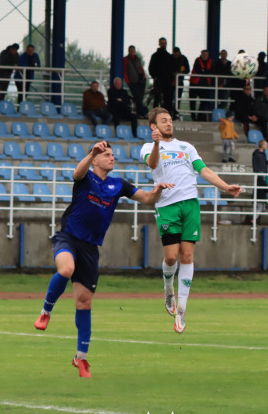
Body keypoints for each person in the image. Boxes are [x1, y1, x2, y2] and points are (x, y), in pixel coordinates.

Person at [32, 141, 172, 377]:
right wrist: (91, 153)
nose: (111, 158)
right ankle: (46, 312)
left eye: (112, 155)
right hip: (68, 237)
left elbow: (147, 199)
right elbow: (77, 173)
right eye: (106, 154)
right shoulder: (86, 177)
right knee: (66, 269)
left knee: (84, 303)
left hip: (91, 247)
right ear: (95, 159)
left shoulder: (119, 185)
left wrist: (158, 190)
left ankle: (81, 359)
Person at [142, 108, 243, 334]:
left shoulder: (186, 147)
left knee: (187, 255)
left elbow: (203, 170)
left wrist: (225, 186)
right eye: (163, 121)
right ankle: (168, 288)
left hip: (190, 204)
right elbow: (152, 164)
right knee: (170, 256)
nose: (168, 124)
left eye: (170, 120)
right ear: (153, 127)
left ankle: (182, 309)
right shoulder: (149, 147)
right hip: (167, 206)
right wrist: (157, 144)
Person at [148, 37, 175, 115]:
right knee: (157, 98)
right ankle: (154, 115)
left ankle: (168, 115)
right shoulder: (155, 56)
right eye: (162, 43)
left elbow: (173, 69)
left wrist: (173, 79)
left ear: (166, 44)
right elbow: (151, 68)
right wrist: (154, 76)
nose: (163, 44)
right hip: (158, 80)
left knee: (168, 99)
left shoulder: (170, 57)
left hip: (168, 81)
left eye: (164, 43)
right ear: (159, 44)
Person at [190, 49, 215, 122]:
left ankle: (199, 116)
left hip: (204, 85)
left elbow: (212, 71)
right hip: (194, 85)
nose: (204, 56)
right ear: (201, 54)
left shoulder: (211, 61)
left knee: (204, 102)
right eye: (203, 55)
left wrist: (204, 71)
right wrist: (206, 72)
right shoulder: (197, 60)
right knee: (192, 102)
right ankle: (193, 117)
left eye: (206, 55)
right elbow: (198, 71)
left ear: (208, 55)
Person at [123, 45, 147, 116]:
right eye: (131, 50)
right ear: (128, 51)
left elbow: (141, 68)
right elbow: (124, 71)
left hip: (141, 81)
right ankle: (142, 112)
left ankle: (139, 112)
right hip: (132, 82)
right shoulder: (126, 59)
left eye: (133, 50)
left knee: (140, 98)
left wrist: (144, 76)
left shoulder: (137, 59)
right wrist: (128, 81)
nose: (132, 52)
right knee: (137, 97)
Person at [252, 139, 268, 216]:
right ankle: (256, 201)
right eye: (265, 144)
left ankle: (264, 202)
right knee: (260, 188)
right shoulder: (256, 153)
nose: (267, 146)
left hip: (264, 172)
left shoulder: (264, 154)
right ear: (262, 145)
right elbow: (255, 163)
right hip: (259, 172)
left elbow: (264, 163)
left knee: (265, 187)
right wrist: (256, 173)